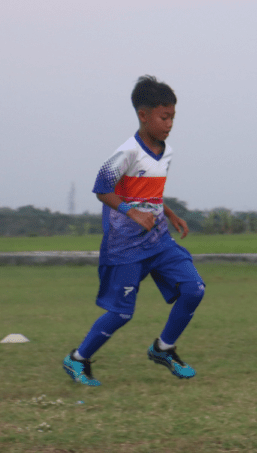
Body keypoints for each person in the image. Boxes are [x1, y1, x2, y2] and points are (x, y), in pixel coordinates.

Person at [63, 75, 205, 386]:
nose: (169, 124)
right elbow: (102, 189)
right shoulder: (126, 152)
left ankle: (163, 349)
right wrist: (131, 213)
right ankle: (77, 359)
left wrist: (171, 213)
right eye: (163, 117)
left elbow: (148, 193)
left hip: (159, 240)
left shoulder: (165, 151)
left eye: (172, 117)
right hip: (126, 246)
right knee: (122, 313)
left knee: (194, 289)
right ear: (143, 115)